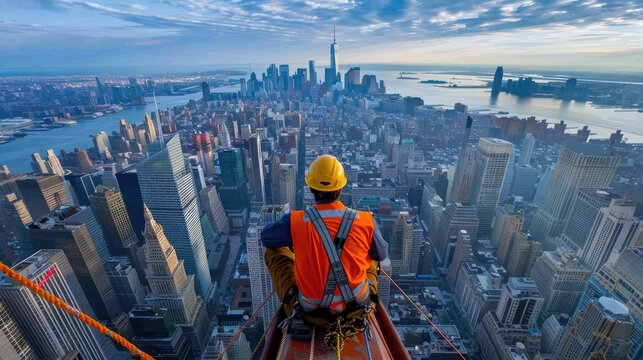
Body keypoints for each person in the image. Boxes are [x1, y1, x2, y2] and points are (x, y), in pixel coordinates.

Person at [261, 154, 388, 348]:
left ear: (311, 188)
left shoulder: (296, 221)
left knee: (274, 251)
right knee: (371, 257)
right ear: (341, 187)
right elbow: (381, 254)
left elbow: (267, 237)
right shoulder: (365, 221)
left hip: (311, 313)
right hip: (358, 308)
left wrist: (302, 244)